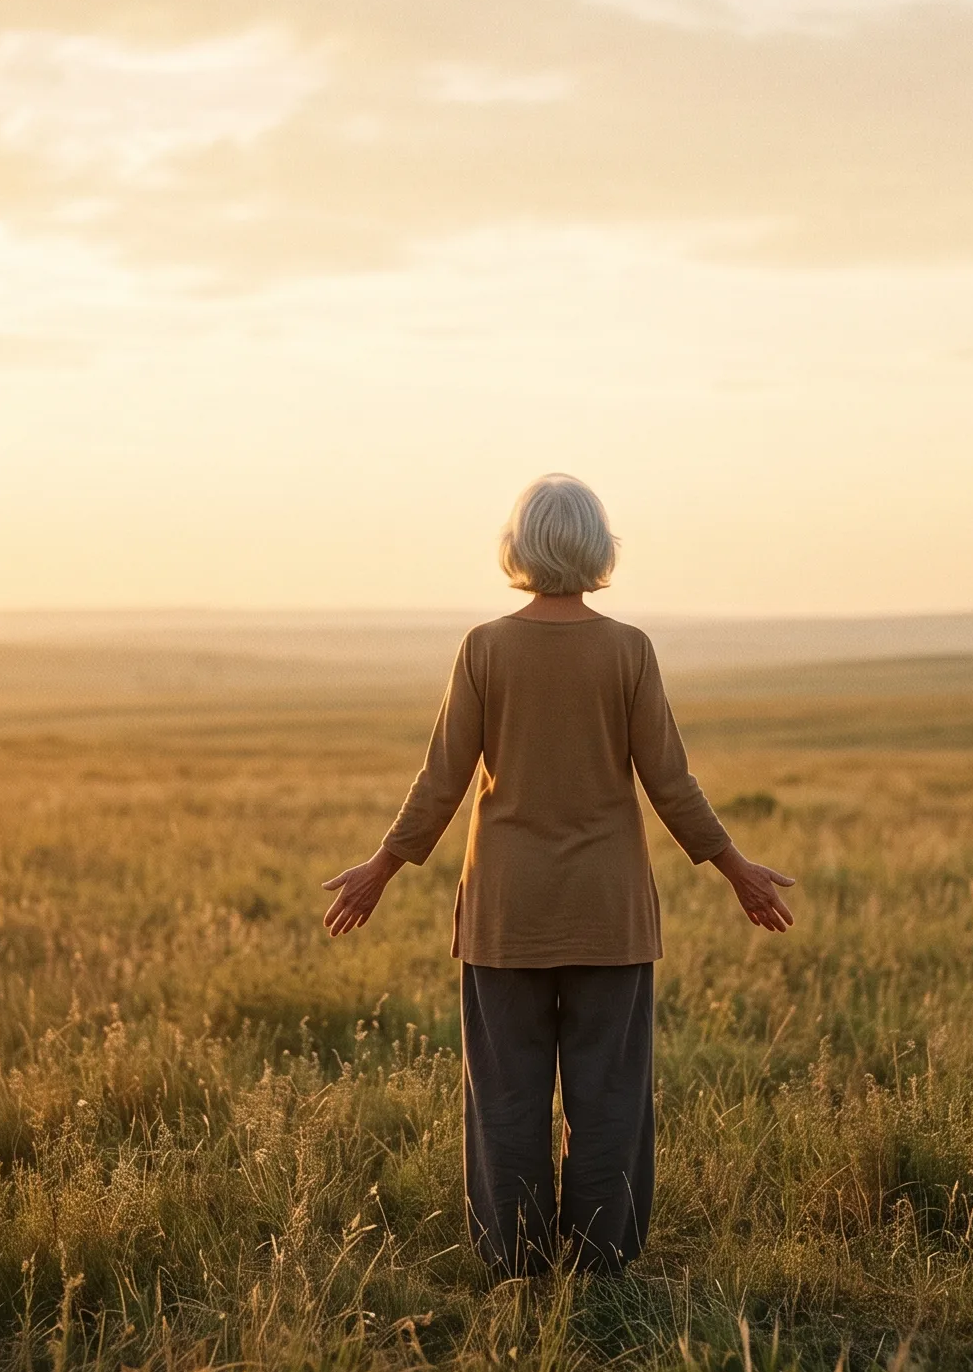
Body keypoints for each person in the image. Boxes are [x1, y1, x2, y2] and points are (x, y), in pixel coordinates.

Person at [321, 474, 795, 1276]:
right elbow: (670, 781)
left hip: (507, 915)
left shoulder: (485, 647)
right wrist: (734, 868)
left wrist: (383, 866)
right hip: (610, 916)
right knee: (609, 1099)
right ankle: (602, 1266)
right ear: (599, 546)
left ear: (519, 544)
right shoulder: (628, 649)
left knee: (505, 1100)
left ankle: (515, 1264)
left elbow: (442, 779)